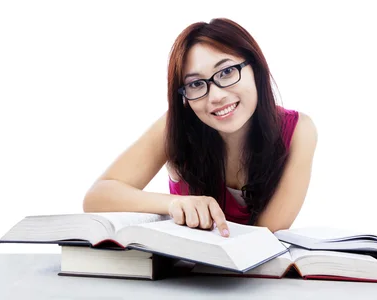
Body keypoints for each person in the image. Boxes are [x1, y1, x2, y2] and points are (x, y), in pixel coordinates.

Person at [83, 18, 318, 238]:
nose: (215, 96)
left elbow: (264, 238)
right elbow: (97, 198)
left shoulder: (298, 131)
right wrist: (173, 204)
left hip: (253, 278)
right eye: (196, 84)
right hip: (185, 276)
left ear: (255, 69)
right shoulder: (176, 125)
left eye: (226, 72)